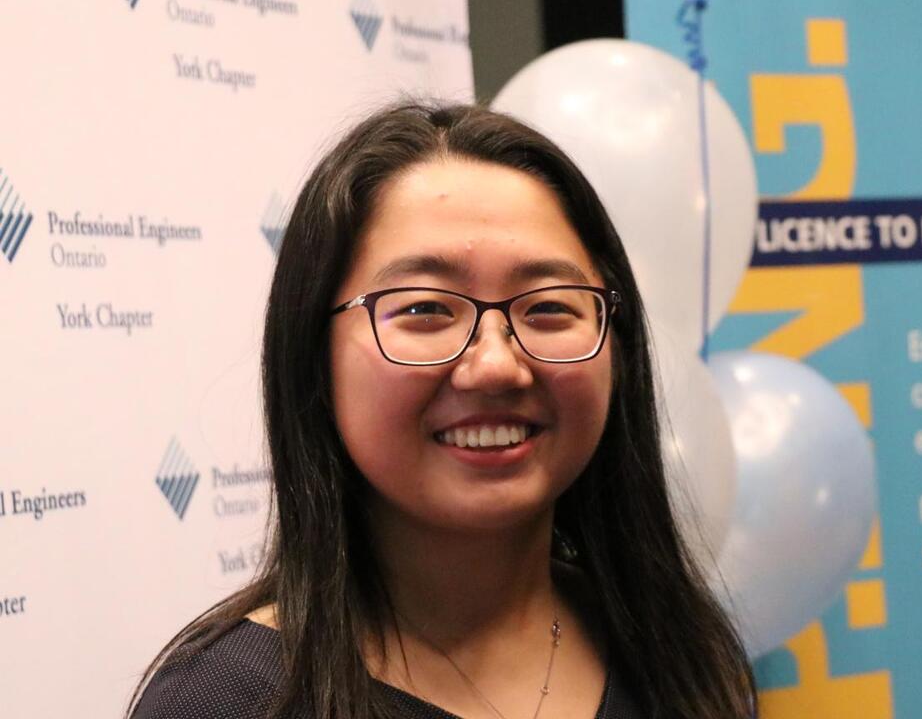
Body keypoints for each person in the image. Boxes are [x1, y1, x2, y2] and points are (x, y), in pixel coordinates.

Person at [128, 102, 756, 719]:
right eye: (425, 309)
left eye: (548, 307)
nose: (495, 365)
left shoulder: (681, 652)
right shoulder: (223, 703)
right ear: (314, 358)